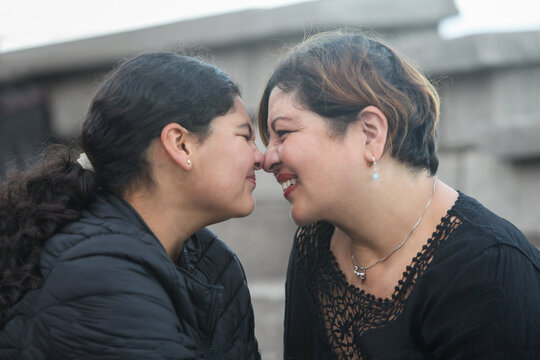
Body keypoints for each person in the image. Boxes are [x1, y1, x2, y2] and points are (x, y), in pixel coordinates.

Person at [258, 31, 540, 359]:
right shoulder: (315, 244)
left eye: (283, 133)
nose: (267, 158)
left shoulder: (490, 270)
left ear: (369, 133)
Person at [0, 52, 263, 359]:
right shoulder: (96, 275)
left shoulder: (216, 264)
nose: (261, 158)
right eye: (245, 136)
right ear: (180, 144)